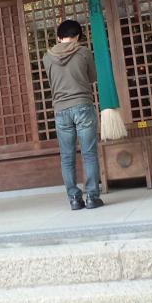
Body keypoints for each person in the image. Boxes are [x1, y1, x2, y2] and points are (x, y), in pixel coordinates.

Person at [43, 19, 104, 210]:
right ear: (78, 36)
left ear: (58, 37)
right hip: (82, 105)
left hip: (61, 109)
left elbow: (52, 82)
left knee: (67, 157)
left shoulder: (47, 57)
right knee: (89, 153)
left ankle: (75, 200)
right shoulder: (83, 52)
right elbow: (92, 77)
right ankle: (92, 197)